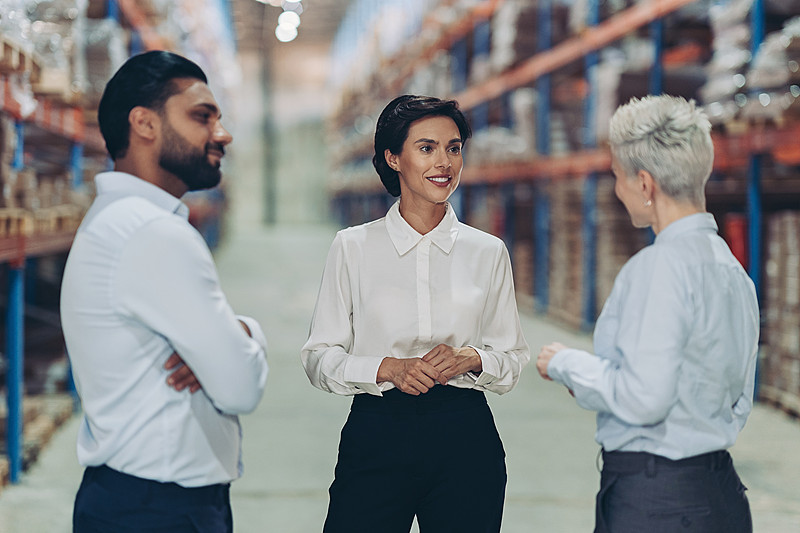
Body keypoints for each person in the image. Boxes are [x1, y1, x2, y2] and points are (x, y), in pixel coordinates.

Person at [60, 51, 269, 532]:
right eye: (202, 117)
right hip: (161, 511)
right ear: (144, 124)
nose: (223, 134)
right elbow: (239, 385)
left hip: (131, 500)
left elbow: (222, 363)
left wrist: (229, 335)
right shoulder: (153, 233)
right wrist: (244, 339)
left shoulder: (118, 222)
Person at [301, 94, 530, 533]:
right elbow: (318, 358)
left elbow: (513, 357)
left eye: (454, 147)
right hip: (378, 432)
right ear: (393, 158)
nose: (444, 162)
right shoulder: (353, 247)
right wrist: (386, 368)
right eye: (426, 148)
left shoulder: (488, 252)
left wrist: (474, 358)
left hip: (466, 435)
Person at [536, 95, 758, 533]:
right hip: (718, 496)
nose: (617, 190)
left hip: (658, 502)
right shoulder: (732, 270)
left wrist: (566, 364)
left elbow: (645, 397)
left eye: (618, 177)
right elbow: (737, 399)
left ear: (644, 183)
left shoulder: (658, 268)